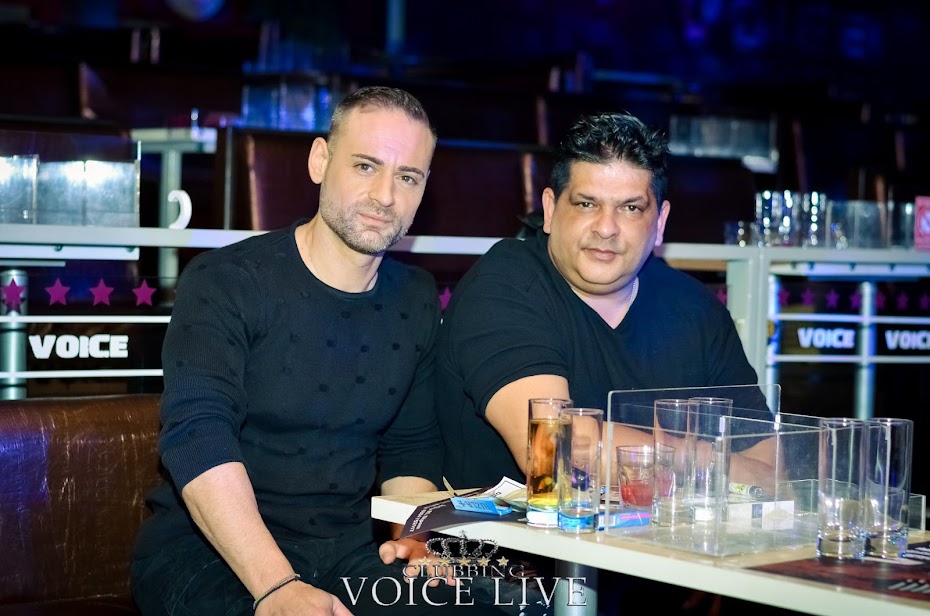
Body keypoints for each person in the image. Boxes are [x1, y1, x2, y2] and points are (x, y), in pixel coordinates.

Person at [131, 86, 506, 616]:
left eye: (407, 177)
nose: (385, 196)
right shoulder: (225, 280)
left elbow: (411, 447)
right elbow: (198, 437)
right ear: (320, 161)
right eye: (365, 166)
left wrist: (414, 539)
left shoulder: (416, 297)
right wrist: (276, 586)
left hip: (346, 551)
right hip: (207, 555)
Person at [435, 111, 777, 613]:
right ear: (550, 209)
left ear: (660, 222)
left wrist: (629, 454)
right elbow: (554, 453)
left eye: (631, 208)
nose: (606, 228)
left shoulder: (695, 308)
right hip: (509, 585)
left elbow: (772, 468)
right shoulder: (505, 285)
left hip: (659, 580)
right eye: (586, 203)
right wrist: (710, 461)